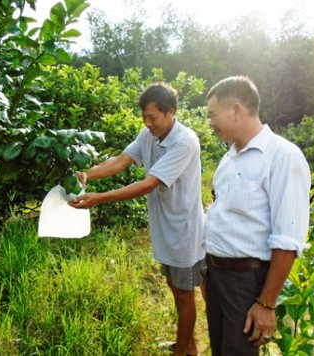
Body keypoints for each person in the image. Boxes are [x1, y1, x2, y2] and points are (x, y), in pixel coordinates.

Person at [70, 82, 205, 356]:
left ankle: (183, 352)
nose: (147, 123)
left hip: (185, 231)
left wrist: (99, 198)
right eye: (144, 117)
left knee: (184, 294)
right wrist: (88, 174)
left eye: (152, 117)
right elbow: (122, 160)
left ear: (171, 113)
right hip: (165, 227)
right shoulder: (149, 135)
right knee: (172, 286)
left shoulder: (184, 141)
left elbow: (149, 183)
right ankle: (188, 346)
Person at [202, 76, 311, 356]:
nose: (210, 123)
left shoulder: (283, 156)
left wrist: (266, 304)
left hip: (247, 282)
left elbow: (287, 238)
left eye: (213, 114)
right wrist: (208, 274)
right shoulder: (230, 157)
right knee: (220, 349)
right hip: (218, 277)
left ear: (236, 109)